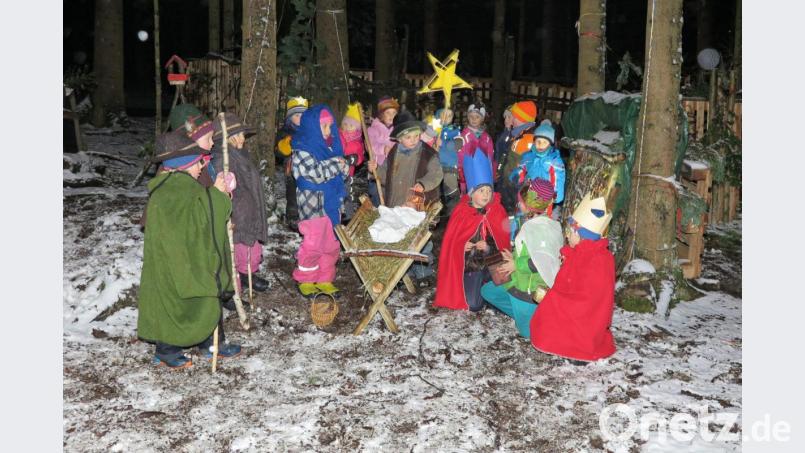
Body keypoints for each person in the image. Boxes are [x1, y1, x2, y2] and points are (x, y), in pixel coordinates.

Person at [138, 123, 242, 369]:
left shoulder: (172, 186)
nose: (202, 167)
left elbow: (197, 215)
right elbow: (204, 215)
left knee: (195, 300)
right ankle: (167, 350)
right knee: (184, 299)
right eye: (198, 163)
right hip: (177, 262)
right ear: (184, 164)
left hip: (179, 259)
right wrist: (218, 194)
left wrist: (214, 195)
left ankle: (208, 343)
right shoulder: (177, 190)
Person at [530, 194, 616, 363]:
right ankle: (562, 342)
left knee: (551, 305)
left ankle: (577, 348)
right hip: (578, 308)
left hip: (587, 316)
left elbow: (589, 299)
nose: (567, 236)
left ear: (579, 234)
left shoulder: (596, 259)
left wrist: (555, 298)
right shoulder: (582, 253)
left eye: (570, 232)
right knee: (551, 303)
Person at [368, 110, 444, 283]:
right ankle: (405, 272)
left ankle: (424, 272)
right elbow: (385, 175)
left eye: (417, 136)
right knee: (401, 238)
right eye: (409, 137)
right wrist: (375, 170)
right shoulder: (393, 153)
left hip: (418, 206)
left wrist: (423, 184)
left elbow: (436, 174)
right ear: (399, 138)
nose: (414, 140)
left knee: (420, 239)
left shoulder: (428, 154)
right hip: (397, 204)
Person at [480, 179, 563, 337]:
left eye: (521, 202)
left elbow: (542, 261)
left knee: (527, 333)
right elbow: (530, 250)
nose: (519, 204)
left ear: (529, 205)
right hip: (517, 280)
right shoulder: (535, 223)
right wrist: (513, 256)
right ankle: (529, 316)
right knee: (487, 291)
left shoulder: (540, 229)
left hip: (527, 289)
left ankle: (533, 318)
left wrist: (516, 264)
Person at [434, 151, 510, 311]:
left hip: (492, 262)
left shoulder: (496, 210)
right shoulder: (461, 213)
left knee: (501, 296)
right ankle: (479, 288)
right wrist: (462, 246)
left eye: (489, 191)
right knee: (474, 305)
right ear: (472, 193)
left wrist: (488, 247)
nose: (486, 195)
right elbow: (450, 245)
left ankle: (487, 288)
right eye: (481, 191)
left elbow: (503, 242)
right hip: (471, 266)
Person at [208, 112, 270, 301]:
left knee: (250, 250)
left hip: (247, 211)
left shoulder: (240, 153)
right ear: (228, 138)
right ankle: (233, 288)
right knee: (235, 252)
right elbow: (222, 190)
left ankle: (246, 274)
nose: (243, 138)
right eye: (239, 135)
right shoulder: (221, 159)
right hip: (237, 214)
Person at [291, 104, 351, 297]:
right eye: (323, 126)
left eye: (330, 126)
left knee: (331, 245)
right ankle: (306, 279)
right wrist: (336, 164)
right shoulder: (302, 148)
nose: (328, 130)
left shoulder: (331, 147)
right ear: (312, 127)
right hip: (313, 205)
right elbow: (313, 173)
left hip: (332, 204)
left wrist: (342, 166)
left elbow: (343, 171)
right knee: (313, 244)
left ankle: (325, 278)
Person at [510, 120, 565, 219]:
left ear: (550, 144)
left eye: (544, 142)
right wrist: (517, 175)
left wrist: (556, 195)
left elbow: (558, 178)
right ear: (534, 142)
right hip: (527, 193)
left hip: (543, 199)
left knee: (538, 221)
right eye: (538, 141)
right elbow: (522, 168)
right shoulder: (529, 156)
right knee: (523, 216)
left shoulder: (554, 161)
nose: (540, 145)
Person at [498, 101, 538, 214]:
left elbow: (518, 166)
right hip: (512, 185)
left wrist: (509, 183)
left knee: (513, 213)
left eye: (514, 117)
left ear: (522, 119)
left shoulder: (526, 140)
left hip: (516, 188)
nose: (512, 120)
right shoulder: (519, 135)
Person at [276, 96, 309, 229]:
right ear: (290, 117)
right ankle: (293, 216)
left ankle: (308, 215)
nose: (301, 118)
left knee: (308, 193)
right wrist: (286, 144)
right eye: (297, 115)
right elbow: (278, 152)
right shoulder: (285, 132)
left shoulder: (311, 131)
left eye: (303, 115)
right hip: (292, 170)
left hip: (309, 169)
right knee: (292, 194)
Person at [366, 96, 399, 206]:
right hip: (377, 166)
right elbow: (370, 146)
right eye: (388, 113)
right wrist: (383, 148)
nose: (391, 116)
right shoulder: (373, 129)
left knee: (391, 194)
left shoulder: (397, 129)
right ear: (381, 114)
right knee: (377, 194)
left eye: (394, 113)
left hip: (393, 167)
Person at [457, 104, 495, 195]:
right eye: (471, 116)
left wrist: (492, 173)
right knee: (471, 197)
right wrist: (460, 172)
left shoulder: (487, 138)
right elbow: (459, 157)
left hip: (484, 176)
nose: (474, 119)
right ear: (468, 118)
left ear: (482, 119)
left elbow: (490, 158)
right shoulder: (462, 137)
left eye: (477, 117)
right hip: (468, 176)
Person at [339, 102, 366, 221]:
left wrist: (351, 159)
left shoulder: (357, 142)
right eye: (345, 123)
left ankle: (348, 216)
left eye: (351, 125)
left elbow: (359, 158)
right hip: (334, 171)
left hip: (347, 173)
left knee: (346, 194)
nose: (347, 127)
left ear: (357, 128)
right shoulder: (338, 135)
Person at [434, 108, 463, 213]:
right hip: (435, 166)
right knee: (435, 192)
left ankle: (453, 213)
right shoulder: (435, 130)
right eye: (444, 114)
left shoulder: (454, 130)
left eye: (450, 115)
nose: (447, 117)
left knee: (451, 190)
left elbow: (458, 144)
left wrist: (444, 143)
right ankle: (435, 214)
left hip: (449, 165)